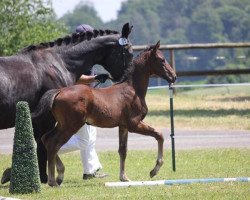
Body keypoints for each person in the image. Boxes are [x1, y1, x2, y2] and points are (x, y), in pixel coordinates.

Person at [1, 24, 109, 184]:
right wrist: (93, 79)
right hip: (77, 104)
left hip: (83, 102)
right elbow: (72, 77)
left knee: (88, 138)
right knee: (81, 140)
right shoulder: (78, 56)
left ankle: (90, 170)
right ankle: (33, 156)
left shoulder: (84, 56)